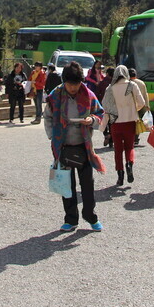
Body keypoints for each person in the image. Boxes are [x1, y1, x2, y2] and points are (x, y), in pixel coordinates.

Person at [44, 61, 106, 232]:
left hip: (83, 146)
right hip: (63, 146)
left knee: (87, 184)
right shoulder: (55, 95)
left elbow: (100, 113)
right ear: (64, 81)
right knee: (66, 184)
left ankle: (91, 216)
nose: (73, 88)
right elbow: (48, 117)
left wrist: (91, 120)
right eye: (70, 84)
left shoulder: (88, 94)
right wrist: (52, 136)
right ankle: (70, 219)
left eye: (76, 84)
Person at [102, 65, 147, 187]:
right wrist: (133, 109)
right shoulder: (132, 85)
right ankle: (129, 163)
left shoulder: (110, 88)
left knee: (118, 150)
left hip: (115, 123)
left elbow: (104, 105)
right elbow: (142, 102)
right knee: (129, 147)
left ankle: (120, 175)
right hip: (130, 121)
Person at [129, 68, 149, 145]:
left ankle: (130, 137)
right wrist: (147, 106)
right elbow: (145, 95)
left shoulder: (127, 83)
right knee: (138, 122)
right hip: (140, 106)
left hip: (130, 106)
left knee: (130, 123)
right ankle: (136, 138)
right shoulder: (141, 83)